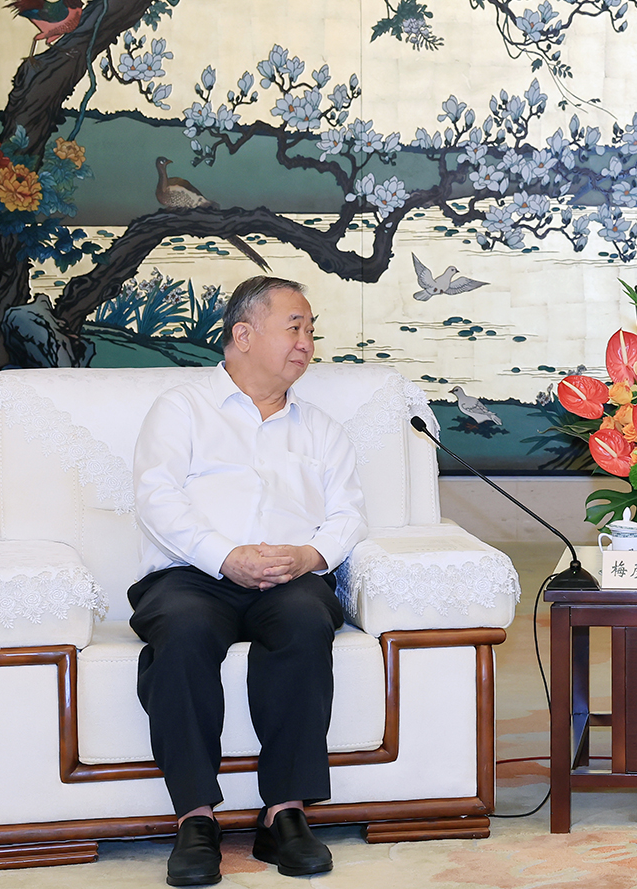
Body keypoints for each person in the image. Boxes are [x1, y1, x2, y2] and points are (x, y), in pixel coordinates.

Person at [131, 277, 367, 886]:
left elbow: (348, 515)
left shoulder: (321, 428)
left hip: (290, 577)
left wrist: (310, 553)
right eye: (295, 327)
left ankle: (284, 814)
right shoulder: (182, 408)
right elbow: (158, 500)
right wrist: (223, 556)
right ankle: (196, 817)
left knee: (306, 621)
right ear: (243, 334)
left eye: (311, 331)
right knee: (180, 632)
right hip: (193, 575)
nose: (307, 344)